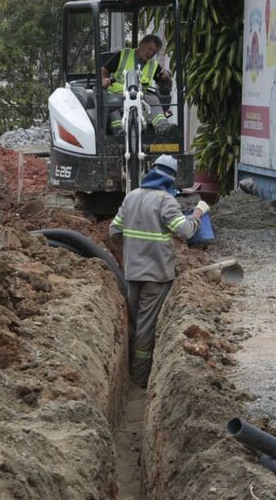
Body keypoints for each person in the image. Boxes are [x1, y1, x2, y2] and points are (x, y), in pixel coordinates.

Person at [109, 155, 208, 387]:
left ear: (152, 171)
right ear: (171, 178)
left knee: (135, 321)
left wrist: (129, 251)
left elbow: (114, 231)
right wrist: (198, 214)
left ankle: (131, 370)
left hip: (133, 272)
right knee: (146, 326)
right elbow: (185, 231)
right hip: (157, 275)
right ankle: (140, 378)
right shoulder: (166, 201)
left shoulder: (131, 197)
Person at [101, 34, 175, 134]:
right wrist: (104, 79)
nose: (151, 53)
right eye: (150, 49)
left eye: (154, 52)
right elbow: (105, 69)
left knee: (154, 99)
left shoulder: (153, 64)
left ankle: (162, 127)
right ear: (142, 44)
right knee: (111, 103)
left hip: (141, 97)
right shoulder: (123, 55)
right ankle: (119, 130)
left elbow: (165, 82)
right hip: (118, 94)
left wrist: (166, 77)